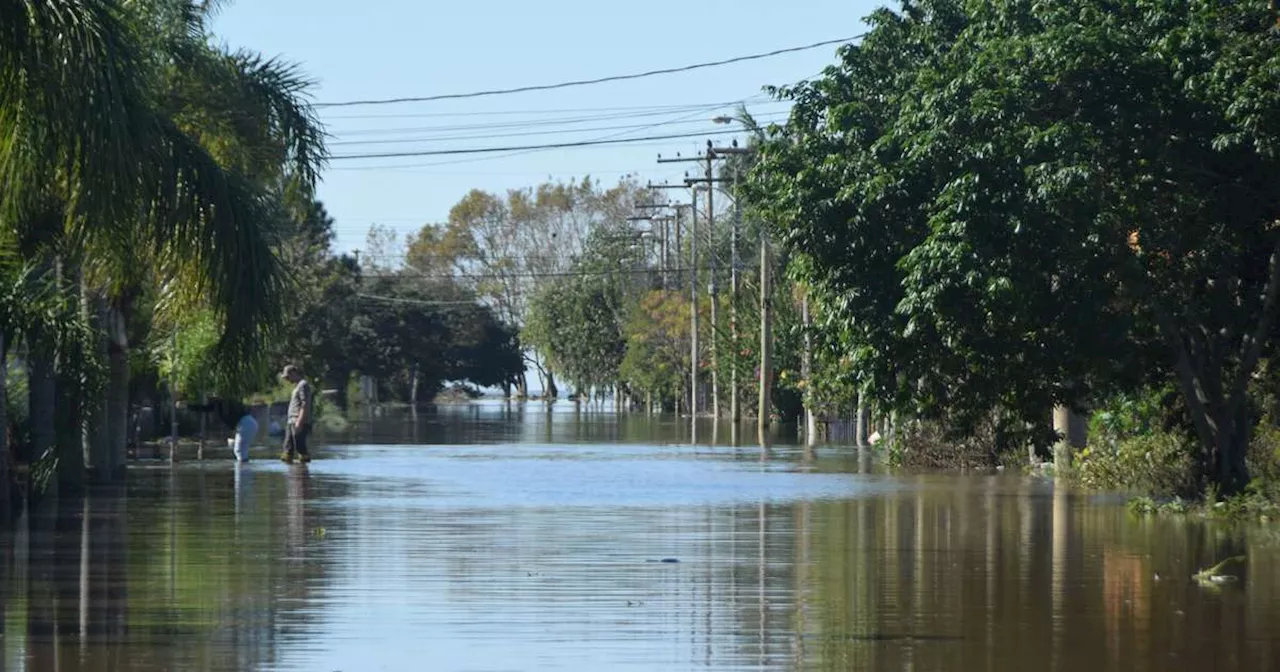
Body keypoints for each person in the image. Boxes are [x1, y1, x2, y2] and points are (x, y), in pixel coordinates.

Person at [184, 397, 257, 463]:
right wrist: (188, 406)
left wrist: (188, 406)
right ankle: (244, 471)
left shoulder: (222, 403)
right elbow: (205, 408)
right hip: (248, 423)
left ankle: (243, 472)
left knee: (239, 451)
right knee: (241, 451)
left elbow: (207, 408)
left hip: (245, 423)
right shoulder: (220, 404)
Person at [279, 364, 314, 464]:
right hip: (292, 421)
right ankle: (291, 475)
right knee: (287, 448)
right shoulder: (297, 386)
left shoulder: (303, 385)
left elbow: (305, 403)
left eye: (287, 377)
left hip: (298, 421)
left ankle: (302, 475)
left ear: (294, 373)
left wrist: (299, 421)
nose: (287, 379)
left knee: (300, 447)